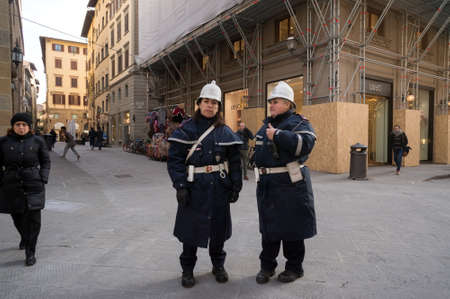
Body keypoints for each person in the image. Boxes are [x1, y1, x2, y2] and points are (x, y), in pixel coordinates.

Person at [167, 81, 243, 288]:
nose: (210, 106)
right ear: (199, 103)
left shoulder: (225, 131)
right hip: (194, 189)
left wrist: (236, 185)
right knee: (190, 234)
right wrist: (180, 186)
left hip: (219, 188)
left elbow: (235, 161)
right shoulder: (186, 130)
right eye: (206, 102)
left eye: (214, 103)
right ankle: (188, 270)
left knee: (218, 232)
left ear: (219, 107)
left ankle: (218, 266)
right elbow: (174, 161)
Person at [253, 81, 317, 284]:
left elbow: (306, 144)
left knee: (293, 229)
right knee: (269, 229)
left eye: (276, 101)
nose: (271, 104)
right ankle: (267, 267)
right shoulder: (265, 126)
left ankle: (294, 268)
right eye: (270, 101)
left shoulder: (299, 123)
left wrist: (279, 135)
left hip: (291, 185)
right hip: (268, 185)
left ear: (288, 104)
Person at [0, 113, 51, 266]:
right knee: (17, 217)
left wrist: (43, 177)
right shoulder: (3, 142)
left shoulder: (38, 141)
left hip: (34, 184)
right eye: (18, 124)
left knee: (34, 220)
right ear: (13, 126)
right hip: (11, 184)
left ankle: (30, 252)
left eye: (24, 124)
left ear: (29, 126)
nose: (21, 127)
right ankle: (24, 236)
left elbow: (46, 161)